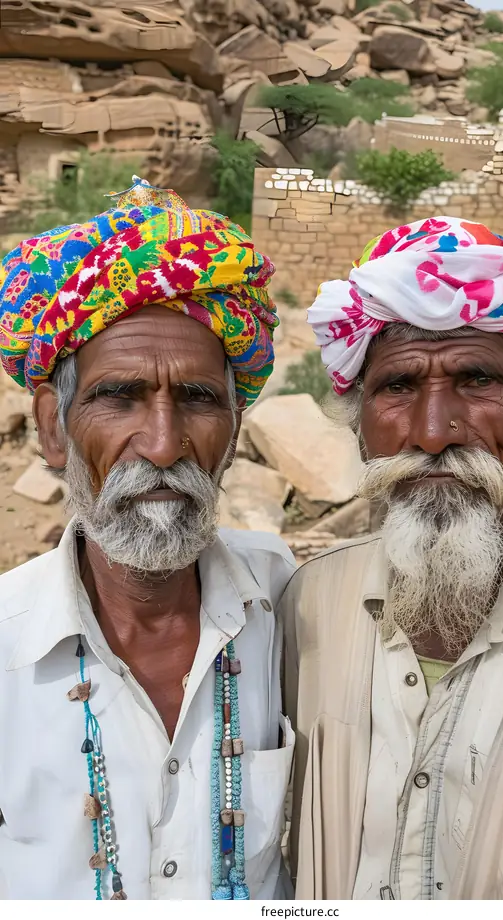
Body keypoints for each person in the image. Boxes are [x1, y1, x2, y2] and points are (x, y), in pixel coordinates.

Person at [280, 216, 503, 900]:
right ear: (359, 424)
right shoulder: (300, 610)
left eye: (477, 380)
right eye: (397, 387)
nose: (431, 433)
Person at [0, 177, 296, 900]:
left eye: (197, 399)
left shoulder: (292, 605)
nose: (163, 445)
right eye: (118, 396)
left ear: (233, 430)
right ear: (51, 427)